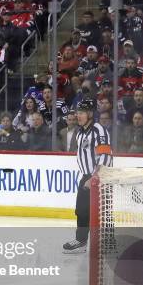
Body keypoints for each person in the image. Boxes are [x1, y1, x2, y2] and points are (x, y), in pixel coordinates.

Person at [63, 100, 113, 254]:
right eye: (77, 112)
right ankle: (81, 241)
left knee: (101, 212)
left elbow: (105, 156)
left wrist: (95, 177)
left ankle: (106, 243)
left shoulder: (99, 131)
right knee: (81, 210)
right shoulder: (80, 132)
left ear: (90, 114)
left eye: (82, 112)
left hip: (99, 177)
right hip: (86, 176)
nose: (78, 115)